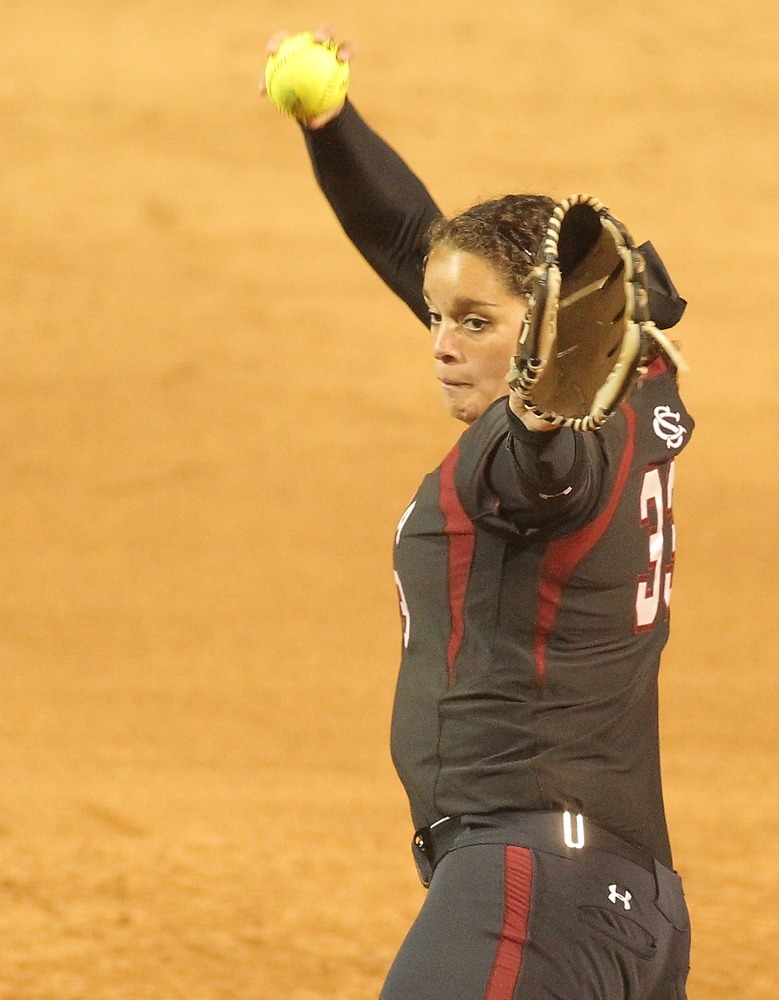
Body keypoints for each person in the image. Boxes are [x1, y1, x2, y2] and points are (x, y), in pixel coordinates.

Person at [262, 26, 694, 1000]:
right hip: (625, 902)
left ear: (549, 332)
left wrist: (539, 411)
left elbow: (546, 471)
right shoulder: (639, 388)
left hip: (529, 893)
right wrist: (330, 125)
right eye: (435, 317)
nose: (440, 345)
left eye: (472, 323)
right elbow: (412, 241)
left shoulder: (548, 442)